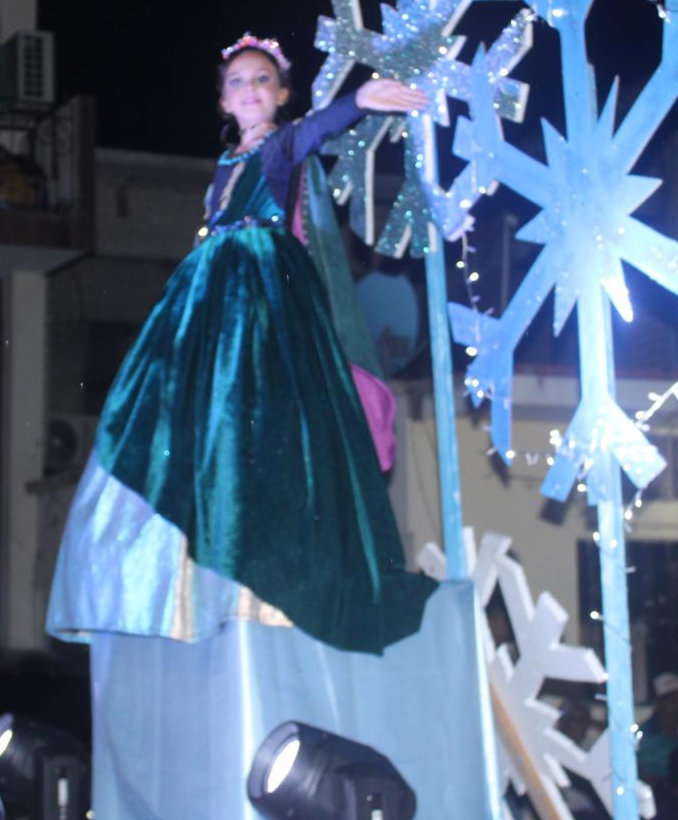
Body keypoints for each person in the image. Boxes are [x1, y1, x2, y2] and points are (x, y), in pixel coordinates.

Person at [46, 34, 437, 654]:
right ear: (223, 103)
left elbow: (313, 132)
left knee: (255, 402)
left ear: (281, 94)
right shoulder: (224, 168)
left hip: (260, 291)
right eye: (237, 83)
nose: (250, 91)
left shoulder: (282, 147)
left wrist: (360, 97)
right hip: (209, 293)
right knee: (184, 410)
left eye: (262, 81)